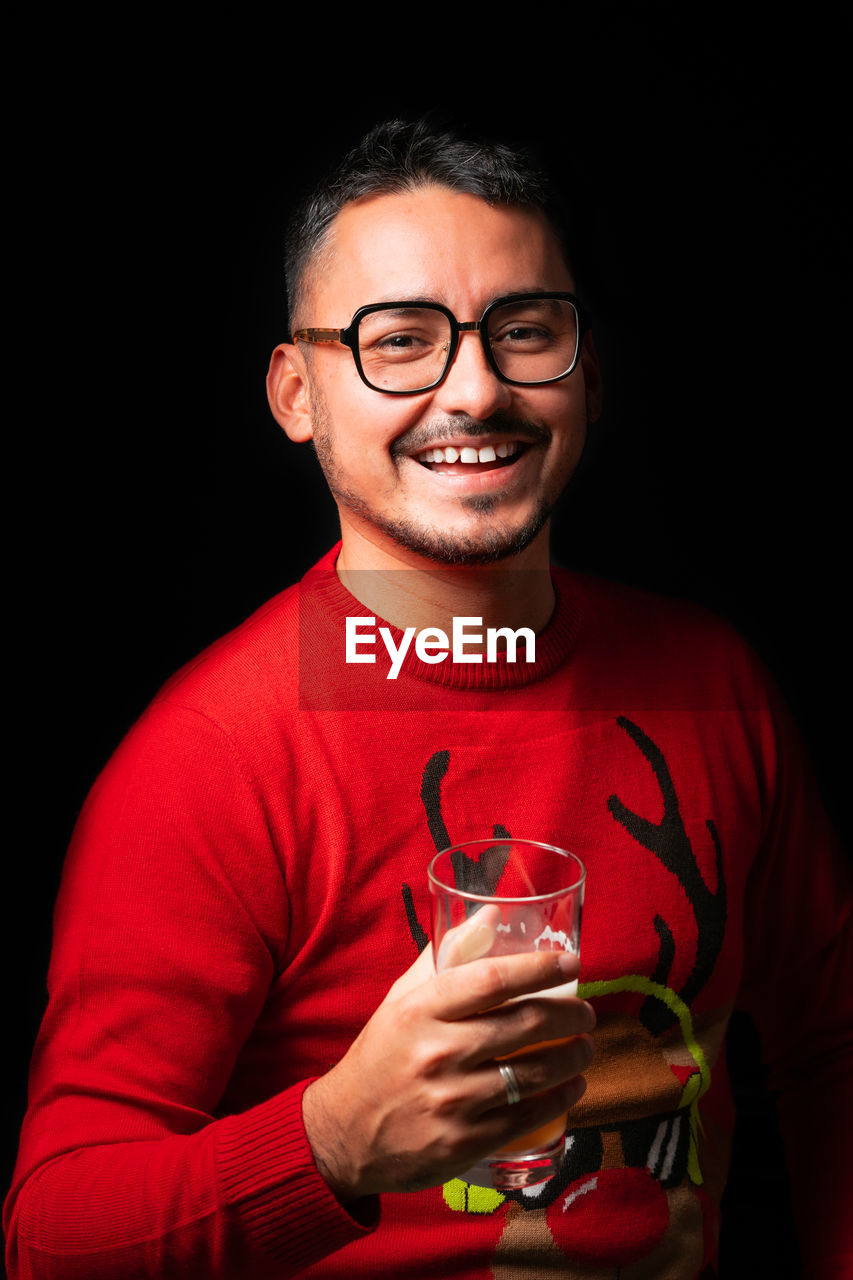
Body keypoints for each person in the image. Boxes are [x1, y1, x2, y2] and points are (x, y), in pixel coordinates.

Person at [5, 118, 851, 1279]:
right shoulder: (211, 757)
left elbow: (832, 1043)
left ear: (588, 376)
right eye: (398, 340)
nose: (476, 386)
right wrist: (335, 1140)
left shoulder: (714, 684)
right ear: (297, 392)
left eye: (525, 331)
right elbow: (52, 1234)